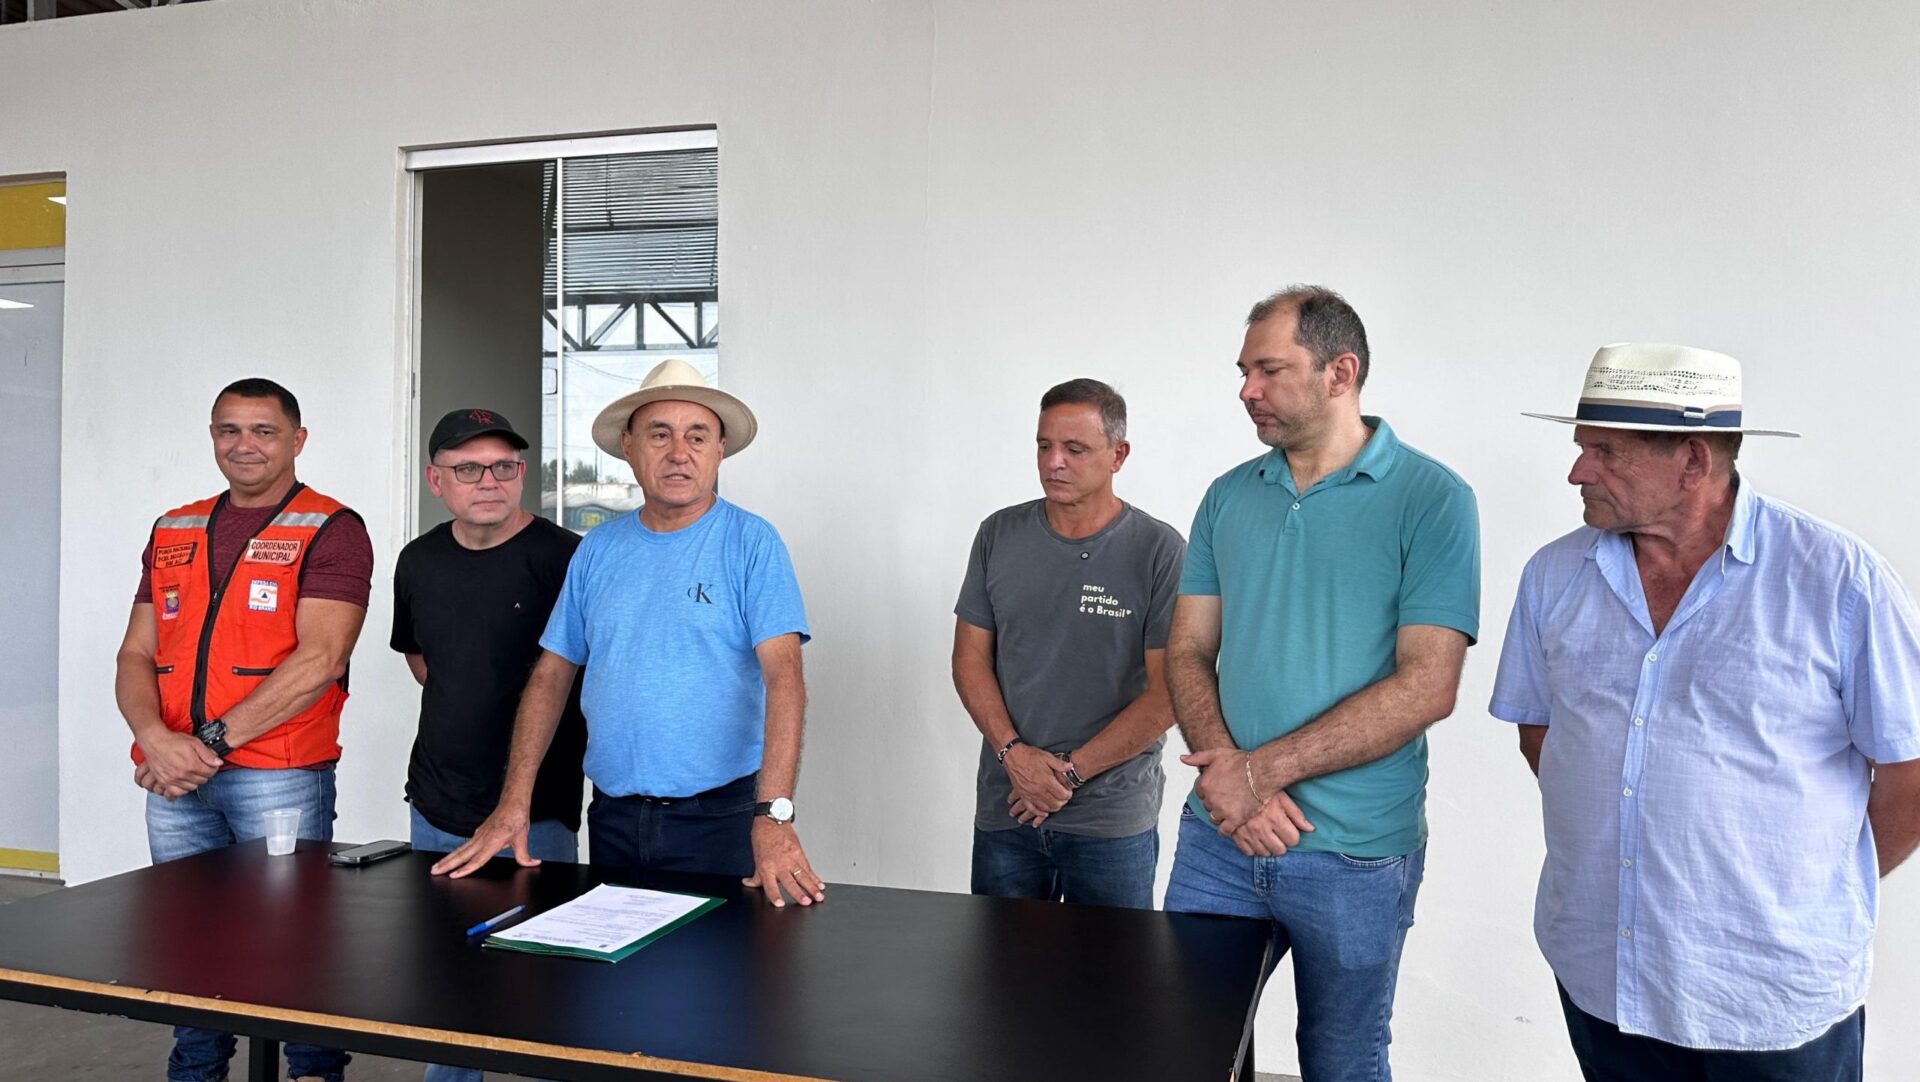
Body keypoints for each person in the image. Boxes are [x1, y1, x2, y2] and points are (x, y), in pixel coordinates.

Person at [1489, 343, 1920, 1082]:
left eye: (1605, 452)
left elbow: (1909, 772)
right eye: (1582, 447)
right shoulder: (1554, 575)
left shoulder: (1838, 581)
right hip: (1602, 971)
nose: (1577, 472)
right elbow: (1545, 736)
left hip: (1770, 991)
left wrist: (1811, 888)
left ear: (1692, 462)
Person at [1163, 286, 1479, 1082]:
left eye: (1268, 370)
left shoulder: (1433, 499)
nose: (1246, 390)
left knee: (1341, 1063)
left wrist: (1255, 775)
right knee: (1184, 1053)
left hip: (1353, 853)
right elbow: (1188, 649)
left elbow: (1428, 686)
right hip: (1217, 839)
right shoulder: (1228, 495)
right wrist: (1232, 785)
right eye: (1243, 372)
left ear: (1340, 372)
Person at [431, 359, 825, 908]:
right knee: (613, 961)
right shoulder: (597, 549)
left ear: (719, 450)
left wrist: (774, 815)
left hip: (722, 819)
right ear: (629, 447)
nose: (679, 453)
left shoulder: (752, 543)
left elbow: (786, 681)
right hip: (613, 818)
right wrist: (513, 801)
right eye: (659, 435)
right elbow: (551, 676)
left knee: (724, 962)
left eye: (697, 436)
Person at [115, 378, 372, 1082]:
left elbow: (321, 659)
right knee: (187, 938)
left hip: (277, 775)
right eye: (229, 429)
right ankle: (197, 1072)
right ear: (212, 437)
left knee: (292, 939)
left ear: (297, 439)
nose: (244, 444)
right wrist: (155, 739)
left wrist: (203, 747)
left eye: (264, 430)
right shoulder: (174, 527)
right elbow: (135, 652)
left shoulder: (331, 527)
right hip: (174, 778)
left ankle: (313, 1072)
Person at [391, 408, 587, 1082]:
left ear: (522, 474)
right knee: (448, 978)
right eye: (469, 468)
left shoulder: (567, 558)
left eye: (504, 466)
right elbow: (422, 661)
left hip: (538, 811)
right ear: (435, 480)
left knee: (545, 979)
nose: (489, 481)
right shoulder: (418, 560)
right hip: (437, 804)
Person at [952, 378, 1184, 909]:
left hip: (1110, 820)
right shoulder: (998, 535)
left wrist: (1068, 773)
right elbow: (969, 660)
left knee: (1111, 965)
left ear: (1118, 455)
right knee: (1001, 963)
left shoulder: (1158, 551)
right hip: (1008, 806)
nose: (1053, 462)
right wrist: (1014, 756)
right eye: (1044, 446)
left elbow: (1169, 692)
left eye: (1075, 449)